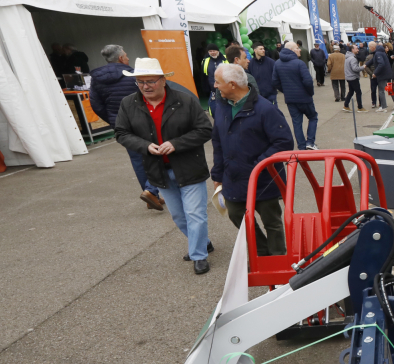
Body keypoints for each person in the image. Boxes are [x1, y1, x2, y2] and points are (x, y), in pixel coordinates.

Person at [115, 58, 214, 274]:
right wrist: (144, 146)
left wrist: (176, 143)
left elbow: (205, 129)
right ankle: (202, 242)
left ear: (163, 80)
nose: (145, 86)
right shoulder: (128, 104)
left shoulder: (185, 100)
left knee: (195, 214)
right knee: (179, 216)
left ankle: (198, 255)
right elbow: (121, 133)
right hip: (158, 170)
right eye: (140, 82)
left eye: (150, 81)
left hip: (189, 167)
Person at [211, 62, 294, 257]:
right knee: (236, 215)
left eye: (217, 82)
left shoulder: (265, 109)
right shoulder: (221, 107)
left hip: (263, 180)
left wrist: (258, 165)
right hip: (233, 178)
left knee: (271, 222)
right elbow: (218, 141)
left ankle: (277, 259)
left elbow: (283, 142)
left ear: (232, 85)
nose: (214, 85)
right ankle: (262, 253)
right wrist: (218, 174)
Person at [91, 44, 164, 211]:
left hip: (121, 125)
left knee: (137, 159)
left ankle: (150, 195)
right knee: (158, 153)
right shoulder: (133, 75)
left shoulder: (97, 78)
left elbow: (96, 104)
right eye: (126, 55)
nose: (128, 58)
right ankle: (151, 191)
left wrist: (114, 120)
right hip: (144, 121)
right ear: (121, 58)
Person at [272, 41, 319, 150]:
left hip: (290, 99)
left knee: (296, 123)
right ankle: (310, 142)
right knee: (313, 117)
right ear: (292, 50)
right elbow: (308, 81)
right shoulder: (299, 63)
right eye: (297, 48)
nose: (299, 49)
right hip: (304, 98)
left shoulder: (277, 63)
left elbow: (275, 82)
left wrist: (286, 91)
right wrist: (310, 93)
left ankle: (301, 147)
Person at [369, 43, 393, 111]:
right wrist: (365, 64)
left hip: (383, 75)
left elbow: (381, 64)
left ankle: (383, 107)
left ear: (373, 47)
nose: (369, 49)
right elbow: (372, 60)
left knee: (381, 91)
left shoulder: (378, 53)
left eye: (370, 47)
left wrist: (375, 73)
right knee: (390, 89)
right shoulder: (381, 52)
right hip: (388, 74)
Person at [343, 44, 365, 111]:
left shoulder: (348, 57)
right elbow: (355, 69)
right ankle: (360, 107)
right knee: (358, 92)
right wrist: (363, 67)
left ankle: (346, 105)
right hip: (353, 78)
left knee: (351, 92)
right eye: (356, 49)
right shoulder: (353, 58)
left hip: (349, 77)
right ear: (352, 50)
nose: (358, 50)